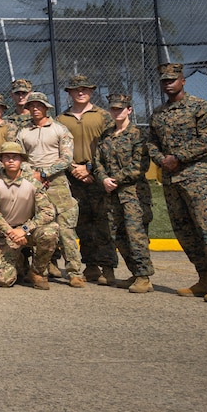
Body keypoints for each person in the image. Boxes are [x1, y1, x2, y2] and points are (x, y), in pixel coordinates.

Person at [147, 62, 207, 302]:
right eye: (164, 80)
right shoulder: (158, 113)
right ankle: (204, 277)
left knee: (206, 226)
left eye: (172, 79)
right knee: (183, 228)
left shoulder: (200, 107)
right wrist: (162, 159)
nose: (168, 83)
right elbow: (151, 142)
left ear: (182, 81)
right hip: (171, 179)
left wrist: (179, 157)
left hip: (197, 176)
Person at [14, 91, 85, 287]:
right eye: (32, 106)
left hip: (57, 183)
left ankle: (74, 272)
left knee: (66, 228)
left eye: (39, 105)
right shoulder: (23, 132)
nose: (35, 109)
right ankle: (38, 269)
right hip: (31, 183)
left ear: (46, 108)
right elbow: (20, 158)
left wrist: (45, 174)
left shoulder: (60, 130)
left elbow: (66, 158)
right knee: (36, 226)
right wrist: (33, 176)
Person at [94, 93, 155, 294]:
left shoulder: (138, 135)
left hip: (133, 194)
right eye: (113, 109)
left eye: (120, 109)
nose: (116, 112)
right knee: (119, 235)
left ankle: (144, 277)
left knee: (136, 234)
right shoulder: (106, 135)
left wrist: (116, 179)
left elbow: (140, 165)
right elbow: (97, 162)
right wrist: (103, 178)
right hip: (111, 194)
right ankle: (134, 272)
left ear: (129, 110)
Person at [58, 74, 115, 285]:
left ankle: (108, 268)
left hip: (97, 175)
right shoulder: (61, 120)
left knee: (103, 223)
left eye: (84, 89)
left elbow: (109, 146)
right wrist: (74, 167)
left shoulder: (103, 116)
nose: (80, 92)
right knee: (81, 223)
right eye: (76, 89)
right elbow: (58, 148)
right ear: (70, 93)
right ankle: (90, 265)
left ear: (91, 91)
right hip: (73, 176)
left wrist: (90, 168)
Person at [0, 142, 58, 289]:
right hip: (6, 233)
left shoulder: (32, 182)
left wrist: (24, 229)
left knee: (51, 230)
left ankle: (37, 271)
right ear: (1, 161)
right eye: (7, 157)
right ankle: (19, 261)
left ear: (21, 160)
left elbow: (48, 211)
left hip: (27, 231)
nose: (11, 160)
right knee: (3, 280)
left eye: (15, 157)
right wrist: (11, 231)